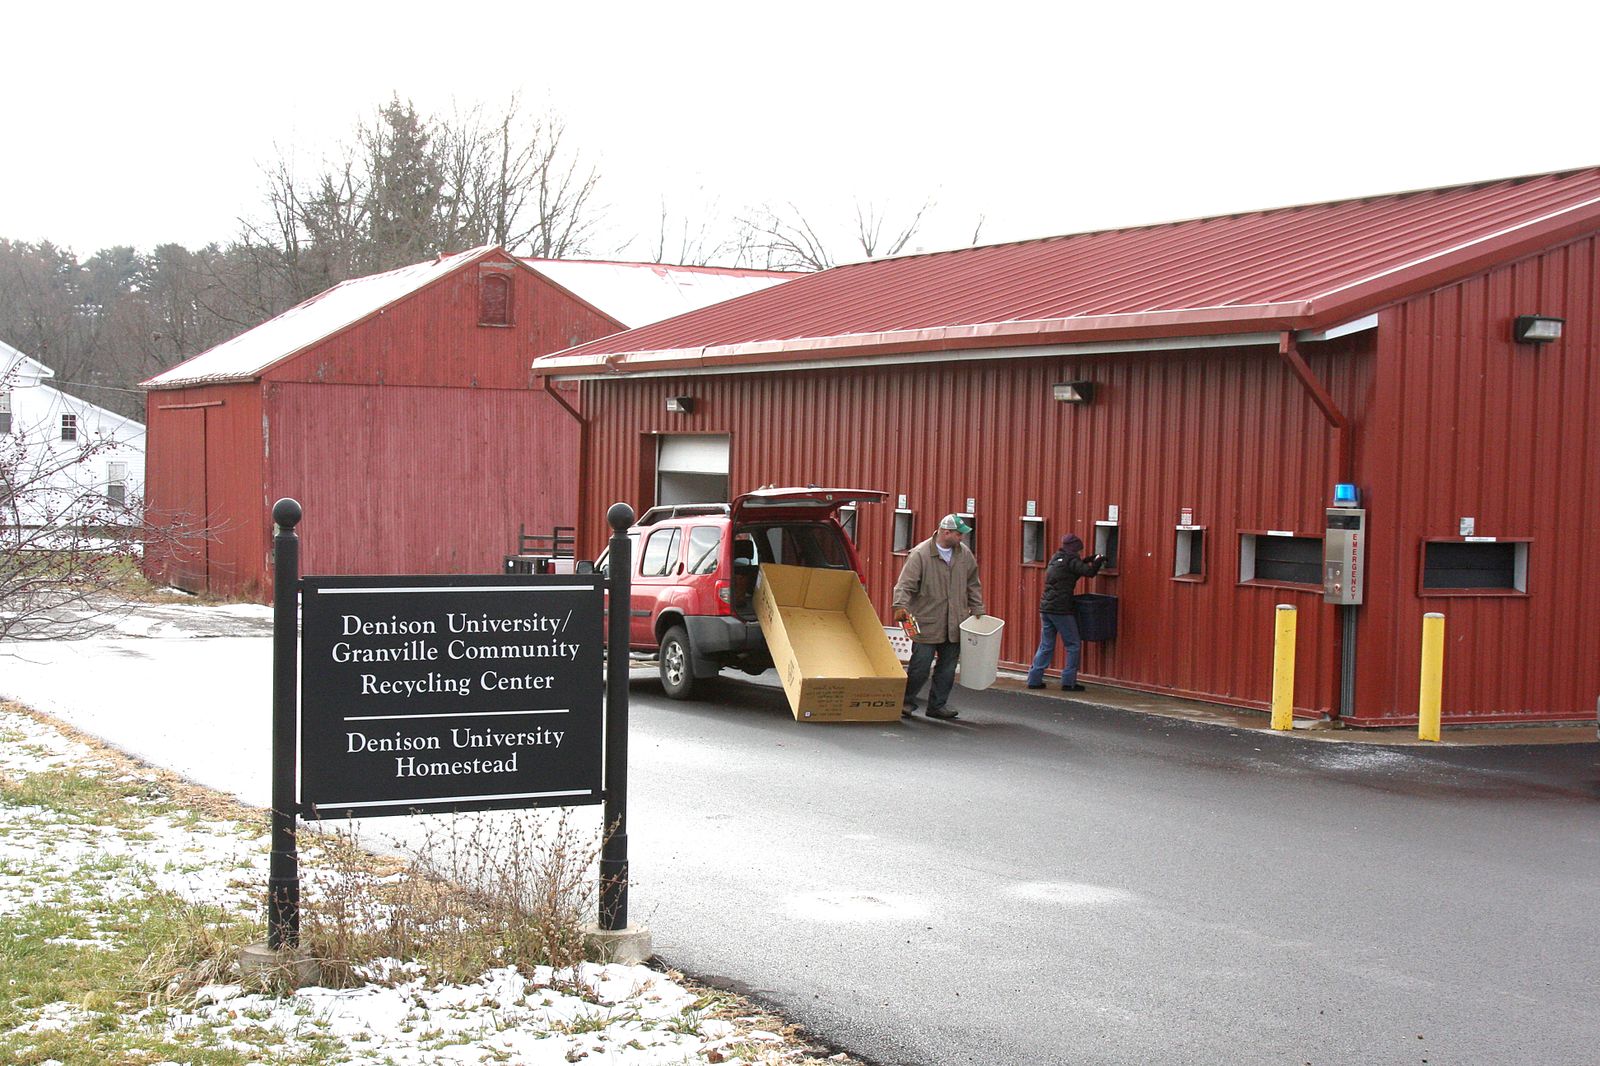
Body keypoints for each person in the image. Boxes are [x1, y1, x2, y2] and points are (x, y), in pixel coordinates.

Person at [893, 514, 985, 720]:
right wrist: (899, 605)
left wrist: (978, 609)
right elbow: (905, 584)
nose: (962, 538)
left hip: (955, 622)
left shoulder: (964, 555)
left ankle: (937, 705)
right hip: (927, 621)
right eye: (958, 534)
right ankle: (905, 701)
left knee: (948, 668)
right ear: (946, 532)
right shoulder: (920, 554)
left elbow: (973, 584)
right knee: (921, 666)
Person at [1025, 533, 1105, 692]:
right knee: (1073, 644)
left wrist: (1088, 560)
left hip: (1046, 608)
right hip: (1061, 609)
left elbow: (1075, 568)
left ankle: (1034, 679)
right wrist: (1098, 561)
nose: (1079, 553)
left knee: (1046, 645)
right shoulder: (1071, 561)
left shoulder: (1056, 558)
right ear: (1074, 549)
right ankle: (1069, 682)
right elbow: (1088, 573)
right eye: (1079, 551)